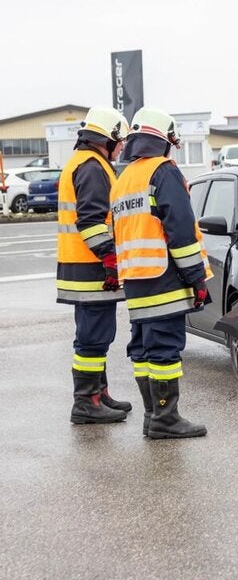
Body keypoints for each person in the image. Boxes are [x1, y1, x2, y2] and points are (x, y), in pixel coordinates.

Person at [110, 107, 212, 439]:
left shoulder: (124, 177)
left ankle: (153, 415)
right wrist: (196, 278)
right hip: (164, 276)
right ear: (166, 141)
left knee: (143, 349)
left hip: (135, 278)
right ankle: (166, 419)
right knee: (165, 348)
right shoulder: (163, 171)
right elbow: (180, 230)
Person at [57, 107, 131, 424]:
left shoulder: (85, 162)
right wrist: (111, 260)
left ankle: (98, 393)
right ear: (108, 138)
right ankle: (86, 402)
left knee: (95, 334)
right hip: (92, 269)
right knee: (94, 336)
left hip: (82, 267)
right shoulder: (91, 167)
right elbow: (91, 221)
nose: (124, 146)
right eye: (122, 140)